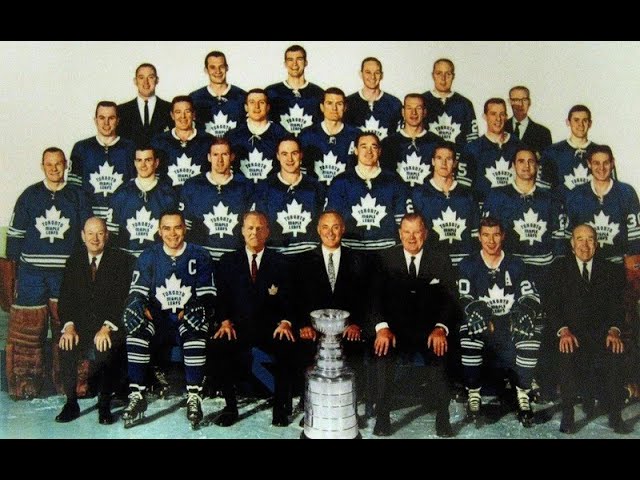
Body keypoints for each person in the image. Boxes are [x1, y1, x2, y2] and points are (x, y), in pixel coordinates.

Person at [6, 147, 92, 399]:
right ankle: (26, 382)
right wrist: (14, 271)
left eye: (59, 164)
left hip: (67, 274)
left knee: (69, 325)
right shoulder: (29, 196)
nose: (54, 168)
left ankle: (71, 382)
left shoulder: (77, 196)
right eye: (49, 164)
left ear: (66, 165)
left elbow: (87, 234)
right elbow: (15, 235)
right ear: (42, 166)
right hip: (32, 273)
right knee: (28, 330)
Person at [121, 210, 215, 429]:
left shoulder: (199, 255)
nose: (172, 233)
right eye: (167, 228)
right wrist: (137, 304)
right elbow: (137, 292)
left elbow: (208, 294)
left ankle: (194, 396)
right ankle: (137, 395)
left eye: (177, 227)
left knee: (195, 331)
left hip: (185, 319)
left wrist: (198, 305)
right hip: (158, 319)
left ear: (185, 228)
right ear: (159, 230)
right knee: (136, 334)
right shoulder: (149, 256)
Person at [369, 213, 458, 437]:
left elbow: (450, 299)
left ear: (425, 234)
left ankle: (442, 416)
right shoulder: (385, 258)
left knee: (443, 349)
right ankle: (382, 416)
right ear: (399, 234)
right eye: (406, 232)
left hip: (429, 330)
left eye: (417, 232)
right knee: (382, 350)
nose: (411, 237)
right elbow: (373, 298)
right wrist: (382, 328)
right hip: (395, 330)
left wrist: (440, 328)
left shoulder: (440, 259)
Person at [210, 211, 296, 427]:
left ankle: (280, 408)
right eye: (250, 228)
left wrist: (286, 322)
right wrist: (225, 321)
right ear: (242, 231)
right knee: (219, 345)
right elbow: (221, 297)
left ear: (267, 232)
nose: (254, 232)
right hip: (238, 327)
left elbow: (291, 299)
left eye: (259, 228)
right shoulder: (228, 261)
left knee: (287, 344)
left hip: (271, 327)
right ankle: (230, 408)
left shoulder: (281, 262)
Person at [458, 217, 542, 428]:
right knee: (469, 333)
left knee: (528, 334)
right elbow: (463, 297)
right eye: (486, 235)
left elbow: (530, 296)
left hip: (509, 322)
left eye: (496, 234)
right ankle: (474, 393)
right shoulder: (468, 264)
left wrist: (522, 312)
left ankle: (523, 394)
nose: (491, 240)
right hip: (484, 323)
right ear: (479, 237)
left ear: (503, 236)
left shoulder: (516, 263)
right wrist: (480, 315)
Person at [548, 224, 632, 434]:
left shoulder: (610, 270)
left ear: (596, 243)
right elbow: (551, 306)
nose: (585, 245)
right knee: (565, 351)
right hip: (571, 336)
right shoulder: (559, 268)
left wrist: (614, 331)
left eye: (590, 239)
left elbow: (618, 307)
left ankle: (615, 415)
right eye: (580, 239)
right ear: (572, 243)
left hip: (601, 337)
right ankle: (568, 415)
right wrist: (563, 331)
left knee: (616, 350)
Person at [55, 217, 131, 425]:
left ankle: (104, 405)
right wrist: (69, 326)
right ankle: (71, 403)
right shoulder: (74, 260)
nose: (95, 239)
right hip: (80, 327)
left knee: (105, 346)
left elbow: (121, 299)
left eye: (99, 233)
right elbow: (65, 299)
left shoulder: (121, 260)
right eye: (90, 233)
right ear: (83, 236)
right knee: (65, 344)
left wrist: (107, 327)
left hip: (109, 326)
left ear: (107, 235)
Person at [295, 211, 369, 397]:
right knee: (301, 350)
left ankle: (348, 405)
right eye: (325, 227)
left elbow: (366, 298)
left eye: (335, 227)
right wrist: (303, 325)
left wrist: (356, 324)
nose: (330, 232)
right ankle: (310, 407)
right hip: (313, 330)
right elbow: (295, 298)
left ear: (343, 229)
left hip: (348, 330)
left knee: (358, 352)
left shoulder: (358, 260)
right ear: (318, 230)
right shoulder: (303, 261)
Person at [326, 132, 411, 253]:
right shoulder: (341, 181)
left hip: (386, 250)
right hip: (350, 249)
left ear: (380, 151)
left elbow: (403, 222)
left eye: (374, 147)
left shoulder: (394, 180)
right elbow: (331, 220)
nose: (369, 151)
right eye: (364, 146)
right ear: (355, 150)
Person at [181, 137, 255, 261]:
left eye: (224, 154)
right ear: (209, 157)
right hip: (201, 259)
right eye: (215, 155)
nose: (220, 160)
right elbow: (185, 229)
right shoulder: (193, 186)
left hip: (235, 259)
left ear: (232, 157)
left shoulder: (245, 186)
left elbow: (251, 228)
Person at [565, 145, 640, 265]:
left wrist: (633, 262)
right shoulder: (576, 194)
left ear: (612, 163)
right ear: (589, 164)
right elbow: (568, 235)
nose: (601, 168)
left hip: (618, 264)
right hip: (587, 266)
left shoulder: (626, 192)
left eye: (606, 163)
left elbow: (635, 232)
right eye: (596, 163)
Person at [411, 141, 478, 270]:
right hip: (433, 263)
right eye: (439, 158)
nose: (443, 163)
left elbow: (475, 236)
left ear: (455, 163)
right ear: (432, 161)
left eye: (448, 159)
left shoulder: (468, 195)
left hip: (464, 263)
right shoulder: (419, 194)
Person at [255, 136, 325, 256]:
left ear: (301, 155)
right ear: (277, 156)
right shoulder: (265, 187)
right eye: (284, 154)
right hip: (276, 256)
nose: (290, 159)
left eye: (294, 153)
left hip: (309, 256)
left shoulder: (315, 187)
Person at [68, 101, 136, 219]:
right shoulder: (81, 148)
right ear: (95, 120)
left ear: (118, 120)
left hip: (121, 218)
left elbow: (136, 186)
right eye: (101, 118)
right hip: (89, 220)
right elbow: (73, 190)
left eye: (111, 118)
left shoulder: (130, 148)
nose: (106, 123)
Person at [108, 145, 178, 258]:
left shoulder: (168, 194)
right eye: (139, 160)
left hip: (158, 260)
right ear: (134, 163)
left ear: (156, 163)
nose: (143, 165)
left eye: (148, 160)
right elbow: (111, 234)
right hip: (126, 260)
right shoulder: (122, 192)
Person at [459, 98, 524, 205]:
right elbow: (463, 189)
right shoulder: (471, 149)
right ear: (485, 117)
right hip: (484, 212)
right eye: (493, 114)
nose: (498, 119)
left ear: (506, 117)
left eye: (502, 114)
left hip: (513, 210)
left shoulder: (519, 147)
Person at [538, 105, 609, 197]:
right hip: (562, 209)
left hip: (593, 210)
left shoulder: (601, 153)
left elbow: (611, 187)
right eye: (576, 120)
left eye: (585, 120)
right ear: (568, 122)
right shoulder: (552, 152)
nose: (581, 124)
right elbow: (542, 189)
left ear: (590, 123)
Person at [151, 95, 214, 194]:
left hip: (199, 196)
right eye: (178, 112)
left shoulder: (208, 141)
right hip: (168, 198)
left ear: (193, 114)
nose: (183, 116)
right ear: (172, 115)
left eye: (187, 111)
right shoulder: (159, 142)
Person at [225, 88, 288, 185]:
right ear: (246, 107)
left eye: (261, 102)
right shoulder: (232, 136)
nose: (257, 106)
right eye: (252, 102)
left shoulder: (281, 135)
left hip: (270, 192)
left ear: (268, 107)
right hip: (241, 192)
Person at [298, 87, 359, 185]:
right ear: (322, 107)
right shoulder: (307, 135)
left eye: (339, 104)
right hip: (315, 192)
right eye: (329, 103)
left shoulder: (356, 135)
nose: (334, 108)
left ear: (345, 107)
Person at [381, 93, 442, 189]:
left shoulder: (437, 143)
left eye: (418, 108)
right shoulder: (388, 143)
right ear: (403, 112)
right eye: (409, 108)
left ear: (425, 112)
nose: (414, 113)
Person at [422, 58, 478, 158]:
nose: (443, 78)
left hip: (457, 163)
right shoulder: (422, 102)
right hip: (428, 161)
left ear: (453, 76)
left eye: (448, 74)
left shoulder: (465, 104)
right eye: (439, 73)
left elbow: (472, 139)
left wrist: (462, 159)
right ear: (433, 75)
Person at [266, 44, 324, 136]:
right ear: (285, 64)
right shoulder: (271, 92)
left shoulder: (318, 93)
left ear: (306, 62)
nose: (295, 64)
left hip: (309, 148)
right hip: (280, 147)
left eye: (299, 59)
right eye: (290, 60)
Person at [190, 51, 247, 138]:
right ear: (206, 70)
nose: (218, 71)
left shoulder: (242, 96)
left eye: (221, 67)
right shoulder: (194, 98)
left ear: (227, 68)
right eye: (213, 67)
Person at [344, 57, 402, 141]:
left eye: (377, 73)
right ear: (361, 74)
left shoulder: (394, 103)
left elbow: (399, 136)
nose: (372, 77)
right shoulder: (349, 102)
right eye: (368, 72)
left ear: (382, 75)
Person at [117, 63, 173, 147]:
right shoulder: (122, 110)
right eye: (141, 77)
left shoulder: (170, 109)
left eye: (150, 77)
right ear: (135, 81)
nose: (146, 82)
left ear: (157, 80)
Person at [504, 86, 552, 158]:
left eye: (524, 100)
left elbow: (547, 164)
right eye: (516, 100)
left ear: (529, 102)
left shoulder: (543, 133)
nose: (520, 104)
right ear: (510, 102)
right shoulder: (501, 128)